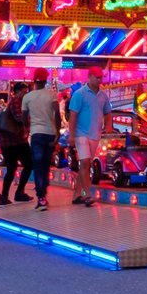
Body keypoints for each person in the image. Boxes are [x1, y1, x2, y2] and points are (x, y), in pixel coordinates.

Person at [64, 69, 110, 207]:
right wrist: (72, 135)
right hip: (81, 134)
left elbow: (108, 113)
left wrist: (108, 126)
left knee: (86, 164)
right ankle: (87, 194)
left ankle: (76, 195)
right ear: (89, 77)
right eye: (97, 78)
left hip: (94, 135)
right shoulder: (79, 95)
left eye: (101, 78)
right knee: (84, 163)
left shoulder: (103, 96)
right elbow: (73, 116)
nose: (99, 80)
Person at [20, 69, 63, 211]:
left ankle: (41, 198)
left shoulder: (27, 97)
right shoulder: (51, 95)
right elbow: (57, 114)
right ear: (45, 81)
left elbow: (24, 118)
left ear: (33, 81)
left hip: (36, 135)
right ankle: (44, 192)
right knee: (45, 166)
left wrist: (28, 129)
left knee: (38, 167)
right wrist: (57, 132)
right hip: (50, 134)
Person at [0, 82, 32, 205]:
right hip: (15, 141)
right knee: (29, 164)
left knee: (11, 169)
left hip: (9, 142)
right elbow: (19, 117)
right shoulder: (16, 101)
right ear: (19, 91)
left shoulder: (17, 101)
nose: (26, 94)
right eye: (25, 91)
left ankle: (4, 196)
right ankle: (19, 192)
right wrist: (33, 117)